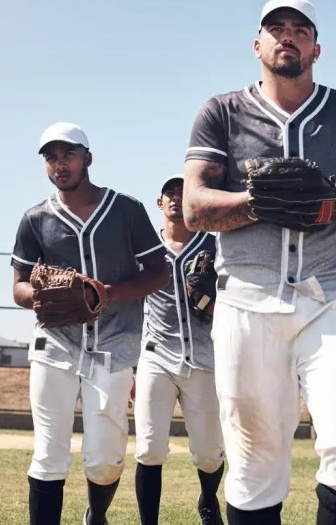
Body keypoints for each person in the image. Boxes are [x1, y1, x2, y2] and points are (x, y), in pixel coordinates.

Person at [181, 0, 336, 524]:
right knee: (255, 465)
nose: (288, 36)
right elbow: (194, 208)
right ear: (256, 43)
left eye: (300, 29)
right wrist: (257, 202)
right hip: (247, 299)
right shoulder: (222, 111)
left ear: (317, 48)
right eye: (276, 27)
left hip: (333, 298)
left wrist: (335, 204)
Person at [10, 121, 170, 525]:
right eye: (51, 157)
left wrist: (107, 294)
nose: (59, 164)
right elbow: (18, 288)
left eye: (68, 155)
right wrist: (42, 296)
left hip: (114, 341)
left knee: (104, 461)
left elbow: (158, 273)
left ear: (88, 158)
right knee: (49, 453)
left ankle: (95, 515)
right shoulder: (35, 219)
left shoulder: (126, 210)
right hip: (55, 343)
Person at [135, 174, 226, 525]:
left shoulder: (215, 246)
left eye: (182, 192)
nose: (175, 198)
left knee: (208, 455)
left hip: (204, 356)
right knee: (149, 448)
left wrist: (211, 303)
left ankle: (207, 499)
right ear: (159, 203)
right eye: (168, 193)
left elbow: (235, 301)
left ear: (193, 202)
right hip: (155, 355)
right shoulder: (144, 251)